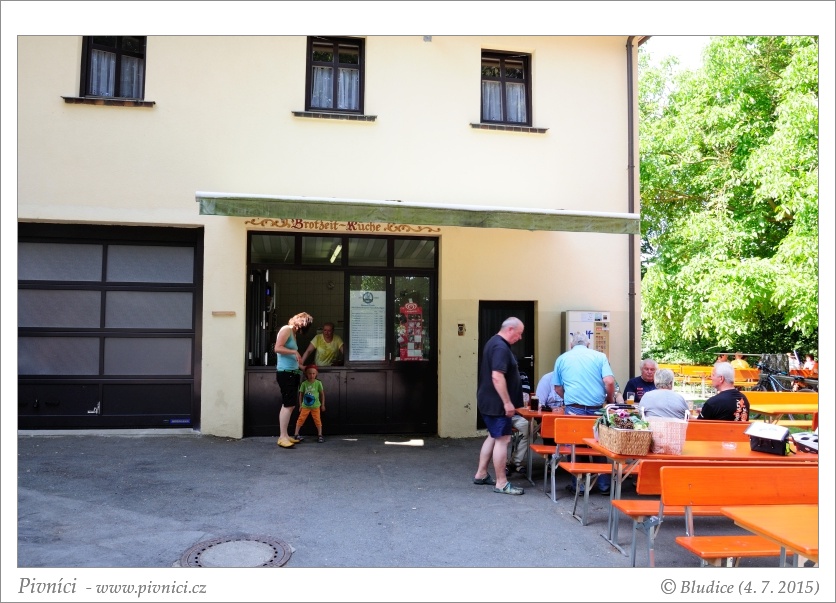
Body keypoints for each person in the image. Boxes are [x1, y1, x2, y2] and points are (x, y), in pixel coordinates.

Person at [553, 332, 615, 495]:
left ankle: (579, 486)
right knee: (600, 445)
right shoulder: (600, 357)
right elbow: (609, 381)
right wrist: (610, 399)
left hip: (573, 409)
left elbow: (557, 388)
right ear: (588, 344)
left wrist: (568, 398)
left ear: (571, 345)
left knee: (575, 445)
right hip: (596, 408)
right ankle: (604, 485)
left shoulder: (562, 358)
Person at [473, 317, 526, 495]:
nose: (520, 338)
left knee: (493, 436)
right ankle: (502, 483)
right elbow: (497, 376)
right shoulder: (500, 347)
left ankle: (481, 474)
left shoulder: (493, 342)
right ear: (510, 329)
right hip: (497, 404)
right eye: (519, 333)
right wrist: (507, 402)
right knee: (503, 440)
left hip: (489, 401)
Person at [275, 312, 314, 448]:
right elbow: (277, 348)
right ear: (301, 323)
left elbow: (291, 357)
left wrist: (302, 367)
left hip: (292, 372)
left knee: (290, 405)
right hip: (286, 373)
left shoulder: (293, 333)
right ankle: (282, 437)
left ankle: (285, 435)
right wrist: (294, 352)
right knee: (288, 405)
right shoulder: (286, 329)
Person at [293, 364, 326, 443]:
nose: (311, 375)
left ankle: (320, 435)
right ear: (306, 374)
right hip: (305, 406)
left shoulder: (318, 383)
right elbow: (301, 394)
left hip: (316, 406)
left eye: (313, 373)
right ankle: (296, 434)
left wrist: (323, 405)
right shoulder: (304, 384)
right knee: (301, 419)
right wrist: (300, 405)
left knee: (317, 420)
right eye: (309, 373)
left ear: (316, 374)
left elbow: (322, 394)